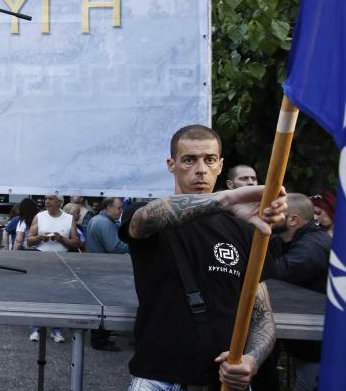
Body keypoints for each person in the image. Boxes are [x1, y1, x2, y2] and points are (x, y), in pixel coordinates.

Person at [118, 125, 285, 390]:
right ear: (171, 165)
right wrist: (224, 199)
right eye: (189, 160)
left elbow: (262, 315)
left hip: (225, 383)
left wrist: (251, 360)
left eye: (209, 160)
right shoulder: (150, 214)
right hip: (160, 379)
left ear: (220, 166)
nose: (200, 169)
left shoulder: (245, 229)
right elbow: (145, 220)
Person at [268, 192, 331, 390]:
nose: (268, 216)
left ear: (293, 220)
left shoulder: (314, 245)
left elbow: (279, 272)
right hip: (304, 344)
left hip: (321, 347)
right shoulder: (282, 241)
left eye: (276, 213)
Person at [25, 194, 78, 343]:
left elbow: (76, 243)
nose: (47, 201)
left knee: (59, 296)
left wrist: (61, 239)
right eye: (46, 198)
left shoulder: (69, 218)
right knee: (39, 295)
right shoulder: (39, 216)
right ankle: (35, 328)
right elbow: (29, 240)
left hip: (62, 260)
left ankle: (57, 330)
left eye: (51, 198)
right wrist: (40, 238)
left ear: (59, 202)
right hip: (41, 259)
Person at [85, 197, 127, 352]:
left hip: (98, 268)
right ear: (109, 207)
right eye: (119, 208)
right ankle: (100, 340)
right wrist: (134, 245)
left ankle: (100, 337)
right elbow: (115, 247)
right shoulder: (104, 223)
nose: (121, 211)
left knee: (100, 306)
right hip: (105, 270)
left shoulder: (98, 220)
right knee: (106, 307)